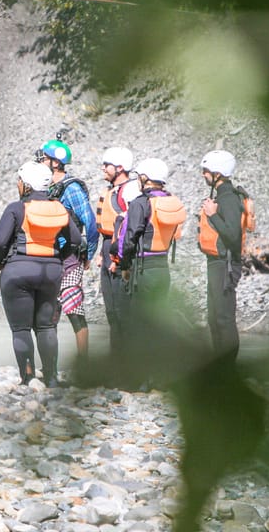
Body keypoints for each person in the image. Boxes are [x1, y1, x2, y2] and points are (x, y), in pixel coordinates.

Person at [0, 161, 84, 387]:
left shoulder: (16, 208)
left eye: (20, 181)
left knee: (21, 328)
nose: (18, 184)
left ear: (27, 185)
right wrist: (57, 258)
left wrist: (0, 263)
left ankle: (28, 376)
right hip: (51, 272)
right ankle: (51, 377)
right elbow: (75, 241)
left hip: (18, 270)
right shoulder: (59, 209)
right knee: (46, 326)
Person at [116, 158, 185, 385]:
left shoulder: (140, 203)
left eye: (139, 176)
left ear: (145, 178)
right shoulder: (170, 202)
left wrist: (124, 266)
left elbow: (131, 236)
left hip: (142, 269)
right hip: (162, 267)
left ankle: (140, 380)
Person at [37, 138, 99, 359]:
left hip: (70, 257)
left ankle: (83, 362)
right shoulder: (43, 186)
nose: (41, 160)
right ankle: (50, 365)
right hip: (48, 256)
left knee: (74, 309)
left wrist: (88, 254)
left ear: (55, 162)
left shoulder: (71, 188)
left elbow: (90, 223)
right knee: (48, 313)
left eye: (44, 157)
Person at [199, 150, 245, 364]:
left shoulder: (228, 199)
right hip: (217, 263)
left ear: (217, 174)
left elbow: (233, 235)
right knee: (214, 318)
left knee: (224, 318)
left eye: (206, 171)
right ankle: (220, 366)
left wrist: (212, 215)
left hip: (225, 264)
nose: (203, 175)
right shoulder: (222, 197)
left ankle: (228, 368)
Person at [95, 147, 139, 364]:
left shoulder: (128, 193)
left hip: (119, 254)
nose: (103, 168)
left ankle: (126, 364)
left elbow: (129, 229)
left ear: (120, 168)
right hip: (108, 249)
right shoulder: (113, 190)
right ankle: (116, 362)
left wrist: (118, 259)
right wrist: (102, 254)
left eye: (107, 165)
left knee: (122, 313)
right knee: (112, 312)